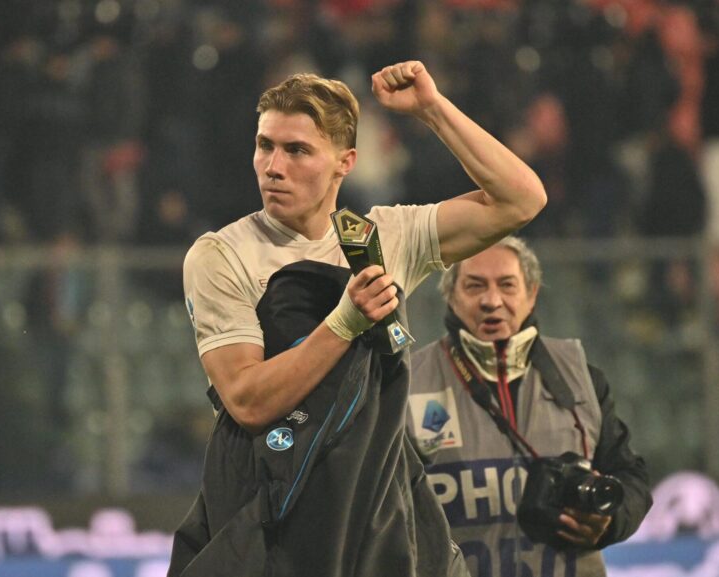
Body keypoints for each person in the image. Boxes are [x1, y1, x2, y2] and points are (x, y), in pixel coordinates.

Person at [170, 60, 547, 577]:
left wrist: (432, 110)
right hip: (277, 513)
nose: (273, 166)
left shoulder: (382, 237)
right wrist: (343, 324)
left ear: (345, 162)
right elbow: (247, 401)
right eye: (264, 145)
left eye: (297, 150)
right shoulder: (222, 255)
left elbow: (521, 199)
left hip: (376, 511)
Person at [406, 237, 651, 577]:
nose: (492, 301)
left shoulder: (581, 377)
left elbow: (632, 477)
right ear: (450, 296)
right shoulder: (410, 383)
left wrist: (609, 522)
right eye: (475, 286)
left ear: (532, 293)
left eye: (507, 285)